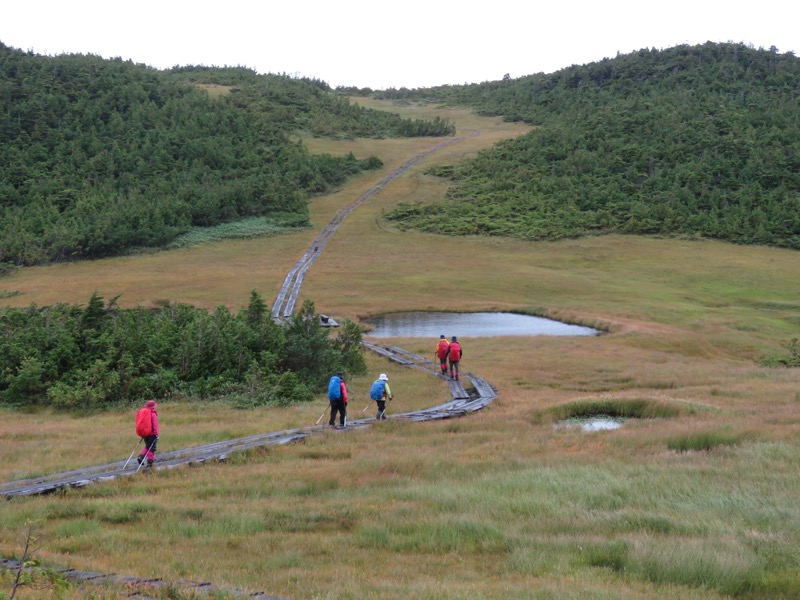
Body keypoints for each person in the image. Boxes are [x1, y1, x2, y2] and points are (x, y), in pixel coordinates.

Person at [135, 399, 159, 467]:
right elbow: (155, 425)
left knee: (148, 446)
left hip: (145, 433)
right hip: (152, 434)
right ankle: (149, 461)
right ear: (153, 407)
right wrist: (156, 433)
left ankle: (143, 457)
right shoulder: (153, 414)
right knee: (152, 448)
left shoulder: (144, 413)